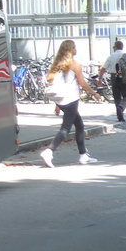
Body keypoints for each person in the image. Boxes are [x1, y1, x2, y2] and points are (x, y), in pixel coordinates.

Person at [40, 39, 99, 167]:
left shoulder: (57, 64)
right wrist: (94, 93)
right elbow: (82, 83)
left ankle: (83, 155)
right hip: (71, 99)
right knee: (65, 128)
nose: (76, 49)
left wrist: (57, 105)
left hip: (61, 101)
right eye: (74, 47)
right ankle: (49, 151)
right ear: (70, 50)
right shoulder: (75, 65)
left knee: (79, 125)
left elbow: (57, 84)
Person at [99, 40, 126, 123]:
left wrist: (100, 79)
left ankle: (120, 116)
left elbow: (103, 69)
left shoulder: (111, 56)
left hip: (114, 77)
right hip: (125, 77)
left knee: (117, 96)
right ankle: (121, 107)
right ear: (122, 47)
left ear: (115, 47)